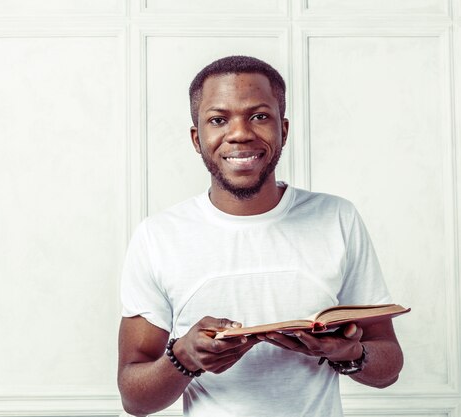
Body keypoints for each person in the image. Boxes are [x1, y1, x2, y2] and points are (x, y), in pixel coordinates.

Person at [117, 55, 403, 417]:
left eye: (259, 116)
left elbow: (388, 369)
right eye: (218, 120)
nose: (239, 133)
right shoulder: (157, 236)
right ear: (197, 137)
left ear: (283, 129)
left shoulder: (337, 217)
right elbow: (134, 399)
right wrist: (184, 358)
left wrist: (348, 354)